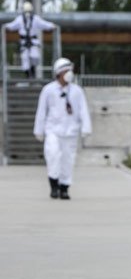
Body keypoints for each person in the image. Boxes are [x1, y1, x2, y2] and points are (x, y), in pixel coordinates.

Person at [33, 58, 91, 200]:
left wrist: (86, 128)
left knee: (68, 160)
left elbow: (84, 110)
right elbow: (41, 111)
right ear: (59, 73)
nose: (69, 73)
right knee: (52, 156)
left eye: (70, 70)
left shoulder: (77, 91)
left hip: (70, 132)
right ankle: (54, 185)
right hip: (53, 130)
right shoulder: (48, 90)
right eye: (66, 71)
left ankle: (64, 188)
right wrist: (38, 130)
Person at [4, 2, 56, 79]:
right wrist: (5, 26)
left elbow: (44, 24)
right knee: (25, 58)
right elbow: (12, 25)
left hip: (33, 41)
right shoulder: (19, 19)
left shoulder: (36, 19)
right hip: (24, 42)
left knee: (35, 56)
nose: (27, 14)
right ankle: (28, 74)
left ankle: (33, 69)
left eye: (29, 11)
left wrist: (52, 25)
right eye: (26, 12)